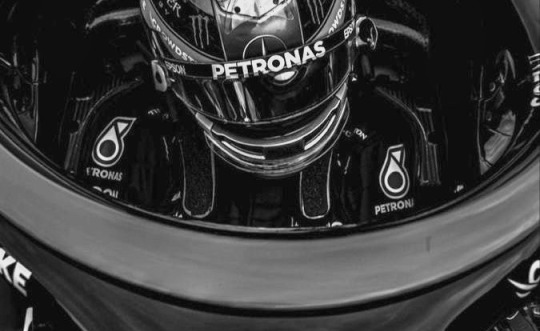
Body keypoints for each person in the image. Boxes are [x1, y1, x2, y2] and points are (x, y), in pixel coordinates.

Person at [60, 0, 448, 228]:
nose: (279, 117)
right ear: (165, 70)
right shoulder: (132, 131)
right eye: (241, 85)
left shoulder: (391, 130)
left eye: (297, 75)